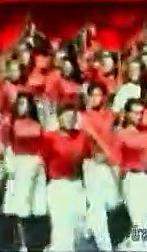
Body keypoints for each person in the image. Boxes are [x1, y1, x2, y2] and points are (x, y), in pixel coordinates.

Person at [114, 98, 147, 252]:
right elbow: (116, 161)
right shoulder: (121, 135)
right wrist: (119, 186)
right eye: (135, 113)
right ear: (127, 114)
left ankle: (132, 246)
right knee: (139, 222)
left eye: (141, 113)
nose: (139, 116)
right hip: (134, 180)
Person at [0, 93, 47, 250]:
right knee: (20, 206)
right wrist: (7, 163)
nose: (21, 107)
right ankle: (22, 243)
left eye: (24, 103)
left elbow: (43, 143)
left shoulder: (37, 123)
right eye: (19, 103)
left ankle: (35, 242)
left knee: (35, 206)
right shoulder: (10, 123)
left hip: (36, 164)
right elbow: (1, 144)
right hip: (19, 164)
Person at [41, 105, 91, 252]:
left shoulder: (82, 136)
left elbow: (89, 158)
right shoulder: (49, 137)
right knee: (62, 228)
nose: (70, 119)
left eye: (72, 115)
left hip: (77, 186)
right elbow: (42, 163)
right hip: (58, 186)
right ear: (58, 118)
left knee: (79, 226)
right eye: (66, 115)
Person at [79, 83, 120, 252]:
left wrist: (112, 156)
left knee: (113, 202)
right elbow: (90, 138)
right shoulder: (83, 117)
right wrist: (101, 154)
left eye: (99, 95)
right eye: (93, 95)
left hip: (110, 164)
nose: (96, 98)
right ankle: (105, 246)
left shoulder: (111, 115)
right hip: (92, 164)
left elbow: (116, 136)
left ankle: (87, 227)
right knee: (98, 206)